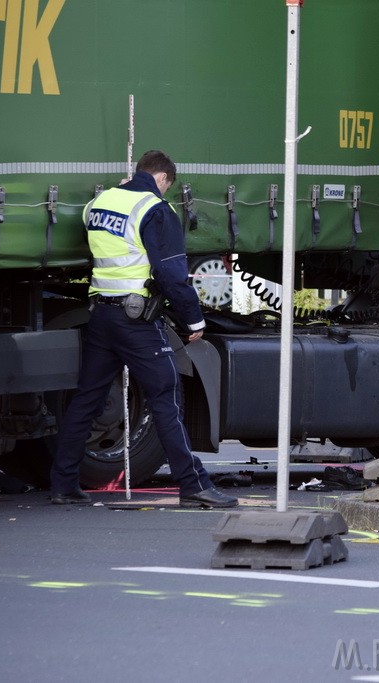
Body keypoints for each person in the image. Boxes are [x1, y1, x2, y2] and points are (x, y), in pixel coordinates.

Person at [50, 150, 238, 508]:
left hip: (101, 315)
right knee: (166, 397)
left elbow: (104, 231)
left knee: (86, 399)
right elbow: (171, 273)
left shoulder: (99, 203)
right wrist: (193, 320)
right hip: (135, 321)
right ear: (164, 179)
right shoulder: (155, 209)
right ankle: (193, 484)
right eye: (167, 186)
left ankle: (63, 484)